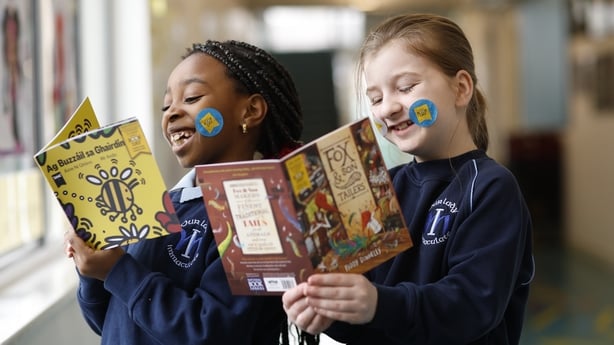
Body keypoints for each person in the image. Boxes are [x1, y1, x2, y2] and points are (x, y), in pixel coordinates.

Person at [282, 13, 534, 345]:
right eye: (375, 98)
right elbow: (366, 313)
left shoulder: (489, 187)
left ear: (461, 88)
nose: (387, 108)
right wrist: (330, 311)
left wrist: (376, 303)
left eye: (405, 87)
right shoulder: (379, 188)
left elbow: (472, 307)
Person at [65, 40, 316, 344]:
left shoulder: (260, 212)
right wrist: (93, 269)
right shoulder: (163, 205)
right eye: (166, 105)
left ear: (250, 111)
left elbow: (212, 333)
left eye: (192, 97)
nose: (171, 113)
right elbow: (110, 321)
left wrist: (118, 270)